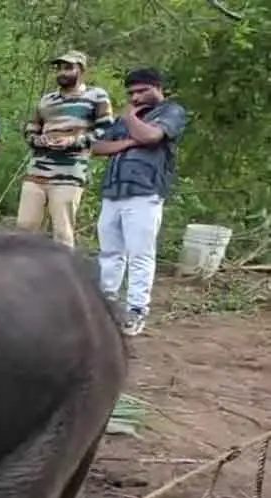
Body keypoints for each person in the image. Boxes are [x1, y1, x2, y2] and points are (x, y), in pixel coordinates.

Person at [91, 68, 189, 337]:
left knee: (140, 254)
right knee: (110, 253)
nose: (135, 97)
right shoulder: (126, 121)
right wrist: (129, 141)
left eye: (141, 91)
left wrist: (131, 119)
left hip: (145, 192)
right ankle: (106, 304)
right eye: (132, 93)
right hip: (114, 191)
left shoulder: (172, 112)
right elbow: (97, 147)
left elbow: (151, 137)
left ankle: (136, 310)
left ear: (158, 88)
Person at [17, 50, 115, 248]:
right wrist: (39, 140)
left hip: (69, 173)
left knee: (62, 231)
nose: (62, 72)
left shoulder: (96, 96)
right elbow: (30, 129)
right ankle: (23, 273)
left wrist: (74, 141)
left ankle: (63, 274)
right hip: (37, 171)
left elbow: (106, 129)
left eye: (68, 68)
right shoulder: (47, 100)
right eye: (59, 68)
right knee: (24, 227)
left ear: (81, 70)